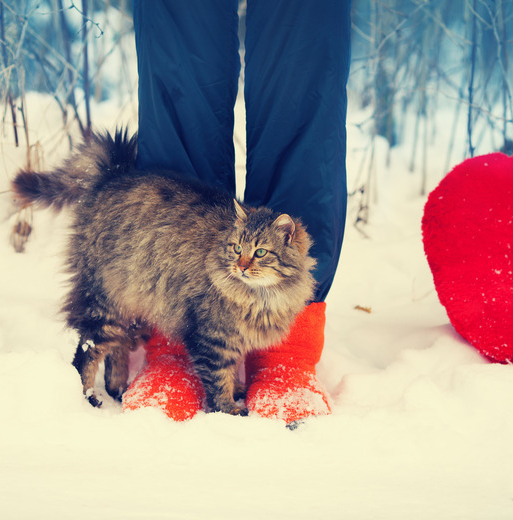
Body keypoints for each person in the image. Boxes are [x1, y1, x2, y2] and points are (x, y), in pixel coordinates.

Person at [122, 0, 351, 424]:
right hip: (178, 286)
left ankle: (287, 347)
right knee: (180, 62)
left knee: (302, 62)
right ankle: (175, 339)